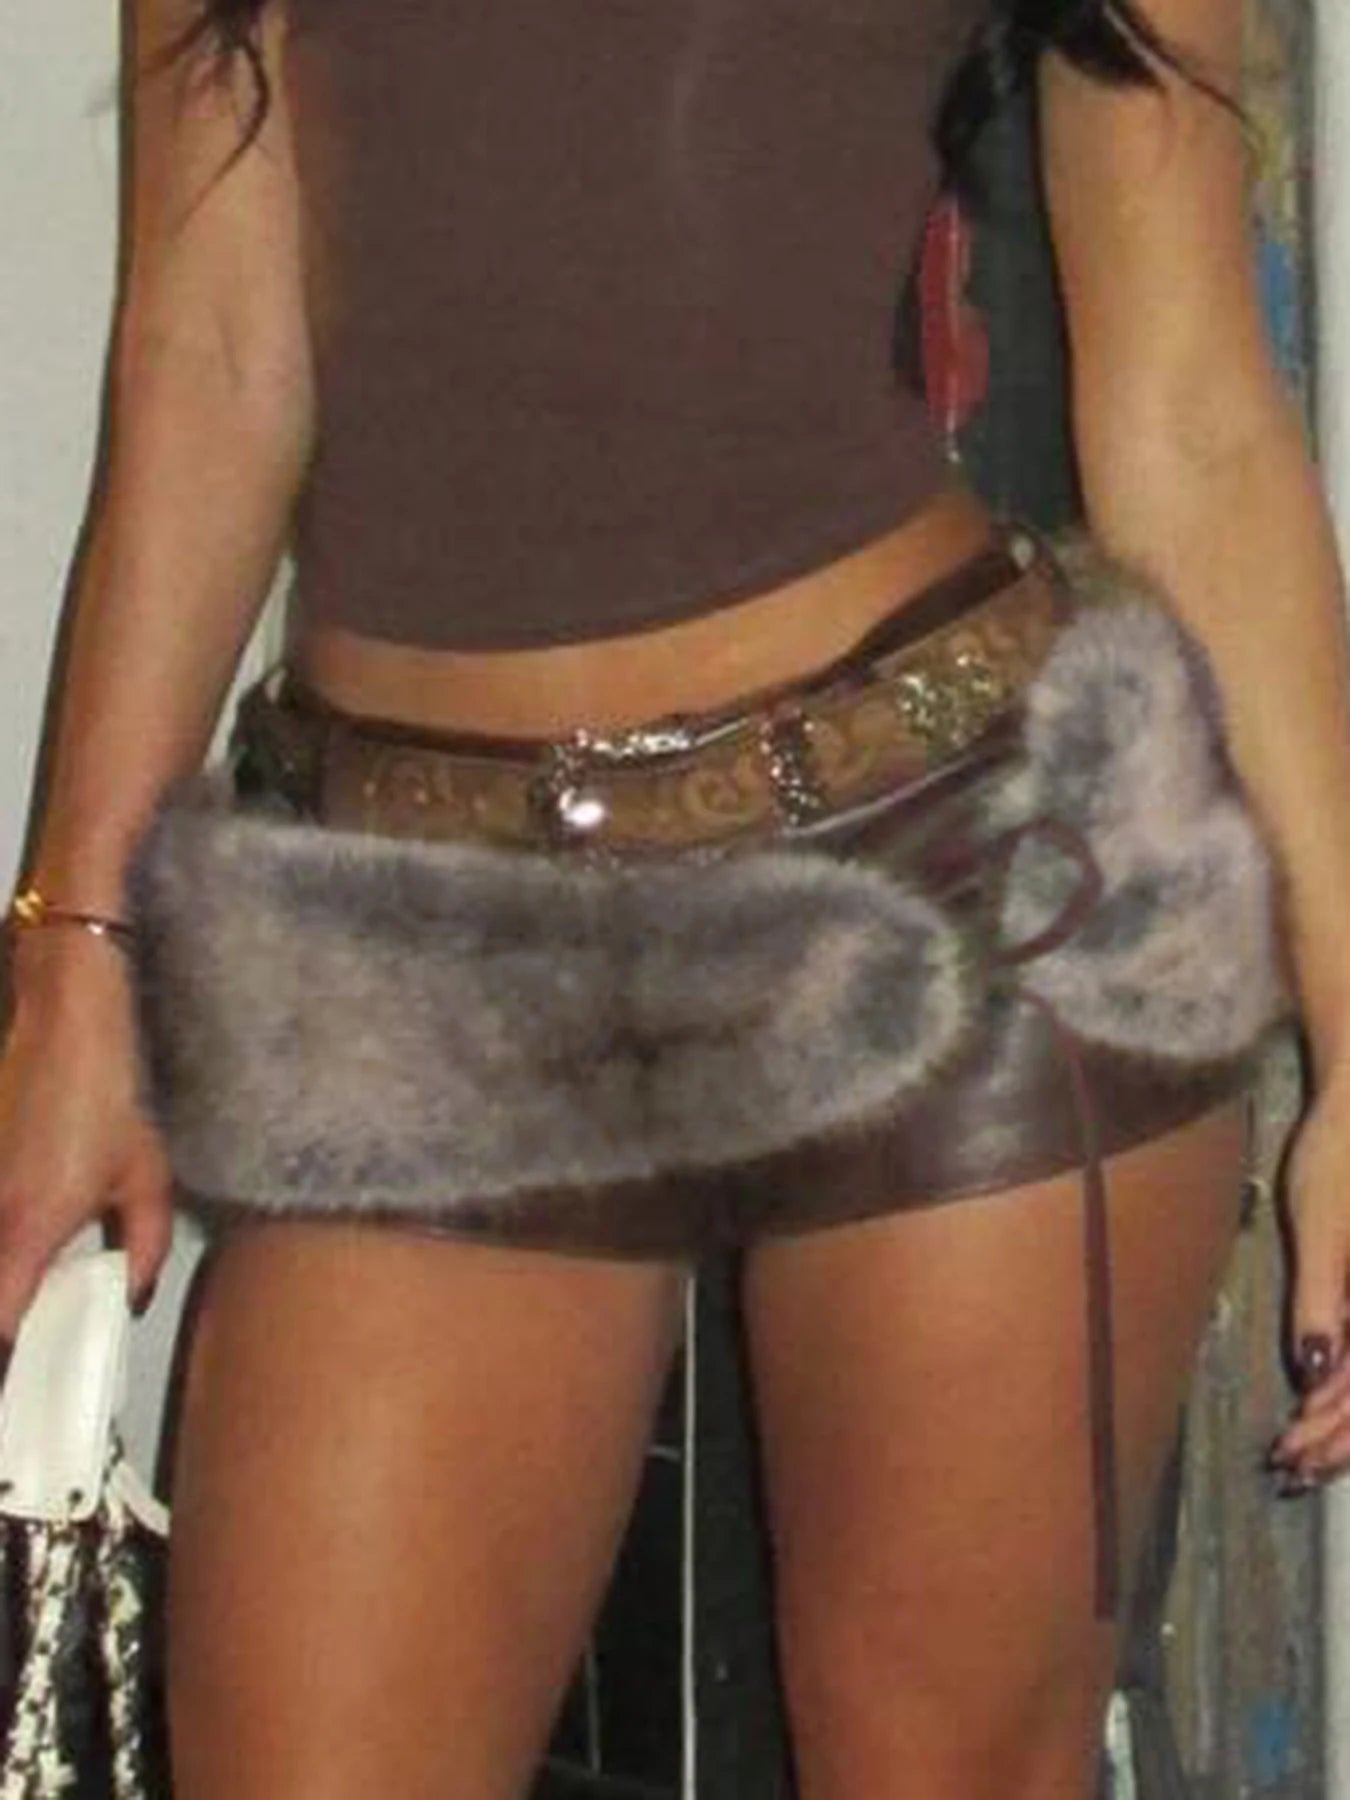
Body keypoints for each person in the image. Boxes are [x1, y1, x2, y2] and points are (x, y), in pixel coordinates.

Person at [2, 0, 1348, 1792]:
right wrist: (75, 950)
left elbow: (1192, 420)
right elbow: (210, 349)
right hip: (415, 937)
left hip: (954, 883)